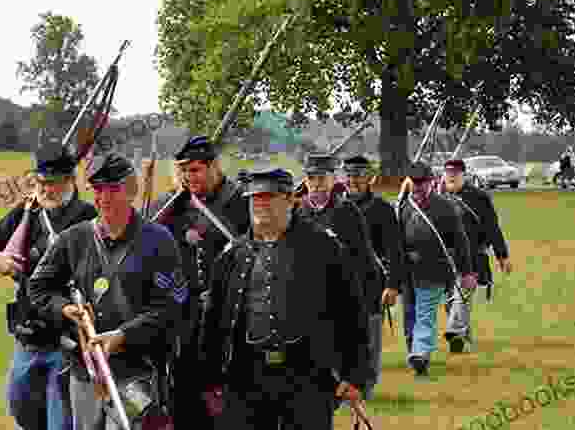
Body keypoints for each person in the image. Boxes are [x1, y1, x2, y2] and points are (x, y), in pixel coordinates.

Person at [28, 152, 190, 430]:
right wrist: (66, 309)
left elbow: (173, 305)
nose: (103, 198)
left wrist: (123, 335)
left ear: (131, 191)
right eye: (98, 190)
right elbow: (39, 286)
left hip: (136, 371)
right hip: (86, 372)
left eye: (112, 189)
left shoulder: (159, 241)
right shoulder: (74, 238)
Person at [202, 168, 370, 429]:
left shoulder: (323, 247)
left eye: (269, 197)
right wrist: (210, 376)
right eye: (255, 198)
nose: (261, 204)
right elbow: (214, 320)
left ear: (290, 199)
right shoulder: (233, 254)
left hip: (308, 373)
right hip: (246, 375)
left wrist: (355, 373)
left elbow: (351, 312)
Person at [0, 142, 97, 430]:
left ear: (70, 180)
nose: (45, 189)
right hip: (28, 337)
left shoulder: (89, 217)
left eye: (53, 183)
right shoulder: (26, 211)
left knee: (60, 424)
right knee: (21, 413)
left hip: (67, 342)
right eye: (40, 182)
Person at [148, 135, 250, 423]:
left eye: (196, 170)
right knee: (183, 395)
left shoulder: (240, 202)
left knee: (227, 396)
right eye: (184, 170)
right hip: (184, 316)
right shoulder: (170, 205)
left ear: (214, 166)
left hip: (230, 316)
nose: (189, 177)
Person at [296, 153, 379, 395]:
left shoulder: (347, 211)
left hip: (344, 288)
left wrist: (367, 292)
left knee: (349, 341)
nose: (317, 184)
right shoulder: (298, 211)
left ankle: (357, 382)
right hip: (308, 293)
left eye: (322, 178)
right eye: (312, 178)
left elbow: (364, 255)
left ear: (333, 179)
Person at [388, 162, 475, 378]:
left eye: (421, 183)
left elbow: (460, 241)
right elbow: (395, 245)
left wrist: (466, 273)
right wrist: (393, 279)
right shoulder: (402, 207)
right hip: (407, 272)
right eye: (414, 183)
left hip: (434, 270)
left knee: (425, 313)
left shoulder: (445, 207)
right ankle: (414, 350)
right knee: (410, 315)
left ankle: (421, 353)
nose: (417, 188)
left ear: (431, 183)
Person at [342, 155, 405, 399]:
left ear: (369, 178)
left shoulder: (382, 209)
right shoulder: (337, 207)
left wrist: (393, 286)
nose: (352, 181)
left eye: (357, 176)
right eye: (349, 176)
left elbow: (395, 250)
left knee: (369, 339)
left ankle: (366, 386)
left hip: (371, 284)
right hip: (340, 283)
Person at [441, 159, 512, 352]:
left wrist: (502, 256)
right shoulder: (438, 196)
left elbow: (492, 227)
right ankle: (463, 336)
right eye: (448, 173)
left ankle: (455, 333)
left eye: (455, 173)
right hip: (444, 258)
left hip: (472, 257)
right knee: (450, 300)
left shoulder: (479, 197)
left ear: (464, 174)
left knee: (462, 295)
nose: (451, 176)